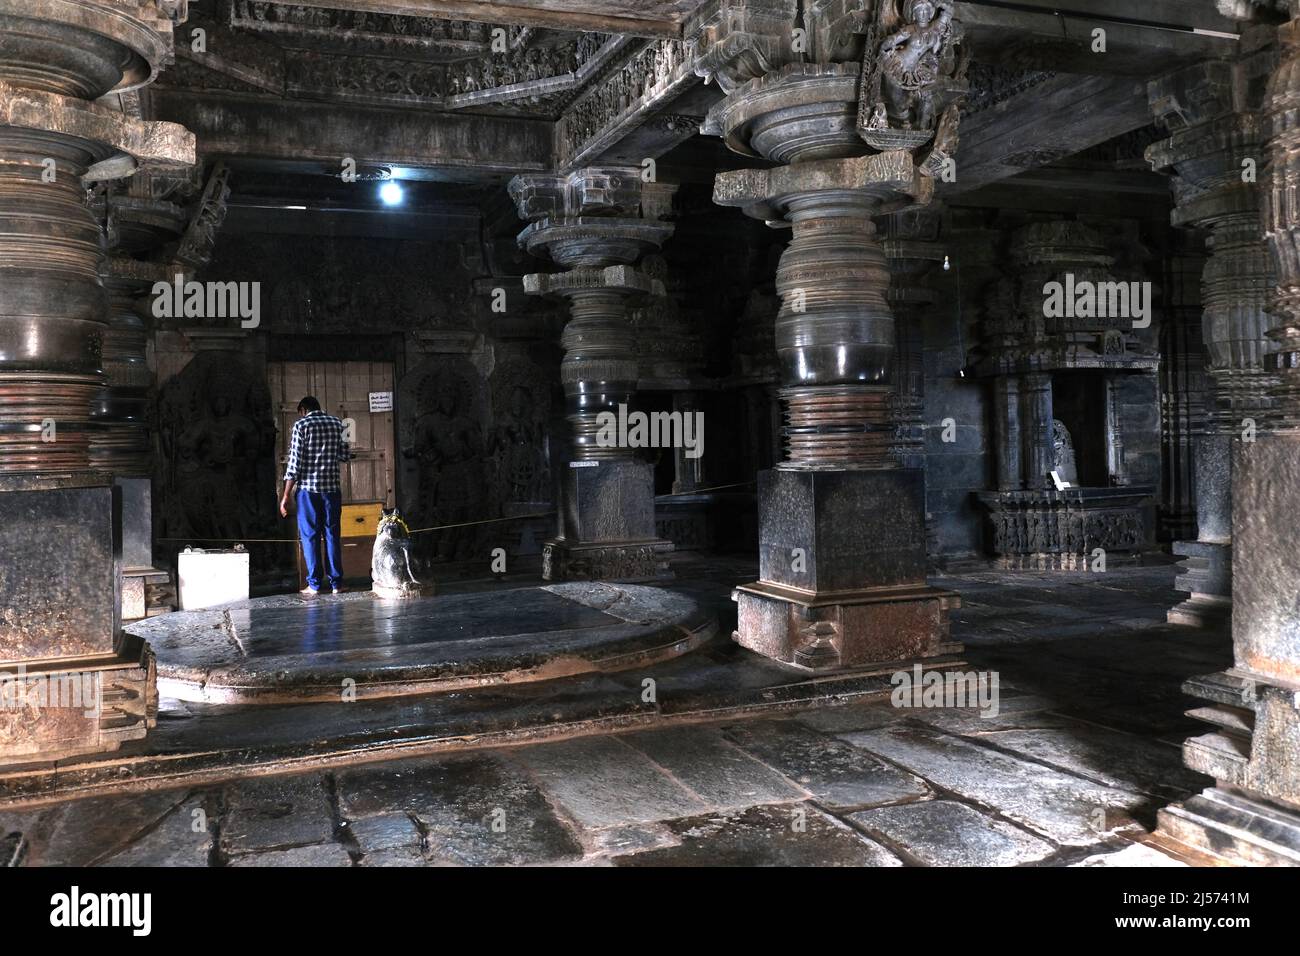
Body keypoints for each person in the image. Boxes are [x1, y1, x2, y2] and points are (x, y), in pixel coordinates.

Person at [279, 396, 350, 595]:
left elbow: (294, 465)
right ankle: (337, 584)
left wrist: (285, 495)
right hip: (332, 491)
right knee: (332, 536)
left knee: (310, 537)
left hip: (309, 492)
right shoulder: (339, 424)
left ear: (303, 409)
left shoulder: (301, 426)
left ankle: (315, 585)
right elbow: (345, 455)